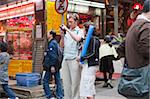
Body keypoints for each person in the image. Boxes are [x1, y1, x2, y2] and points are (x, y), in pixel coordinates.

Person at [119, 0, 150, 99]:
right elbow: (146, 50)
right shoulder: (146, 27)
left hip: (133, 77)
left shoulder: (135, 25)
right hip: (143, 79)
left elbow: (121, 48)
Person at [60, 13, 84, 99]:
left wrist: (67, 29)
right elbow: (61, 46)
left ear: (76, 22)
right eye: (68, 22)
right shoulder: (67, 33)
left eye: (71, 22)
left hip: (74, 59)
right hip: (65, 58)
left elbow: (77, 39)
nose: (69, 24)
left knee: (75, 83)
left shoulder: (80, 31)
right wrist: (62, 36)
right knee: (66, 83)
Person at [80, 24, 100, 99]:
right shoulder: (92, 39)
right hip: (90, 64)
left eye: (84, 29)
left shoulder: (93, 39)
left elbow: (93, 52)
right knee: (90, 86)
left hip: (91, 64)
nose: (83, 31)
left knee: (87, 84)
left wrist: (82, 57)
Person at [43, 31, 63, 99]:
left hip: (51, 66)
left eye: (48, 33)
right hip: (56, 65)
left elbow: (53, 56)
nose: (47, 34)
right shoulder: (55, 43)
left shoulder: (52, 44)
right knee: (58, 80)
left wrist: (52, 66)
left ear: (51, 35)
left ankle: (49, 95)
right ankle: (59, 95)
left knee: (45, 81)